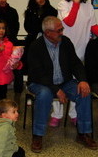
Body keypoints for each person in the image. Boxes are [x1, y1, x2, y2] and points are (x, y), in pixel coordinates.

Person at [27, 16, 97, 153]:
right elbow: (38, 74)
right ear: (48, 33)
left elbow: (76, 63)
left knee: (84, 93)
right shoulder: (36, 46)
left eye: (62, 29)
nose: (62, 33)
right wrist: (55, 90)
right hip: (40, 83)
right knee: (45, 95)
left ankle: (83, 133)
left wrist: (82, 80)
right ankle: (38, 135)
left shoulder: (65, 42)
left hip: (64, 81)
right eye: (59, 30)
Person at [51, 0, 98, 127]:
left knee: (77, 83)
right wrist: (76, 3)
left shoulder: (89, 6)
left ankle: (73, 113)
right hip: (64, 51)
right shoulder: (63, 4)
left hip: (82, 51)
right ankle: (56, 114)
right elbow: (69, 23)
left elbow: (93, 27)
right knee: (59, 81)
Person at [23, 0, 57, 75]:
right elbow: (27, 27)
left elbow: (50, 27)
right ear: (34, 0)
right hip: (32, 40)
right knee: (32, 63)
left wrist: (39, 25)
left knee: (46, 64)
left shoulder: (52, 11)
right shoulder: (29, 11)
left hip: (48, 41)